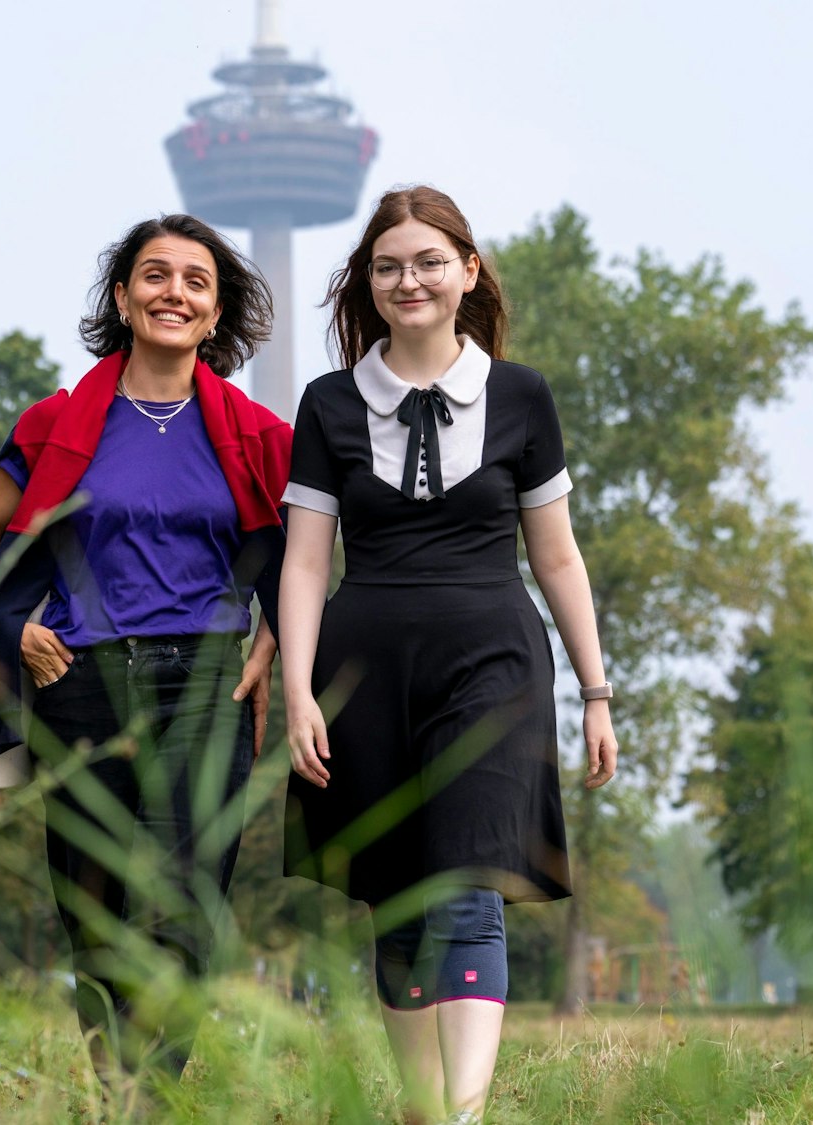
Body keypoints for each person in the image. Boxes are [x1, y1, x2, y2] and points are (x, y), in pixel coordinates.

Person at [278, 186, 618, 1123]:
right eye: (388, 265)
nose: (408, 279)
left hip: (493, 664)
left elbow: (555, 551)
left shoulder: (520, 396)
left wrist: (596, 691)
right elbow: (306, 561)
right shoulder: (329, 405)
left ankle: (464, 1114)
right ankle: (423, 1110)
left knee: (467, 880)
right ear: (368, 283)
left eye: (429, 260)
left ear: (468, 270)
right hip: (364, 673)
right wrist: (299, 692)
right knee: (395, 895)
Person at [0, 213, 291, 1092]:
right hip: (80, 681)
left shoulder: (258, 436)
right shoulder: (55, 422)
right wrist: (11, 625)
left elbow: (308, 556)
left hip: (208, 686)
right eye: (154, 275)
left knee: (186, 901)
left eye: (194, 281)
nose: (172, 292)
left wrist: (273, 639)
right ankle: (115, 1087)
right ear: (122, 296)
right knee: (94, 907)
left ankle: (149, 1094)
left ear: (215, 314)